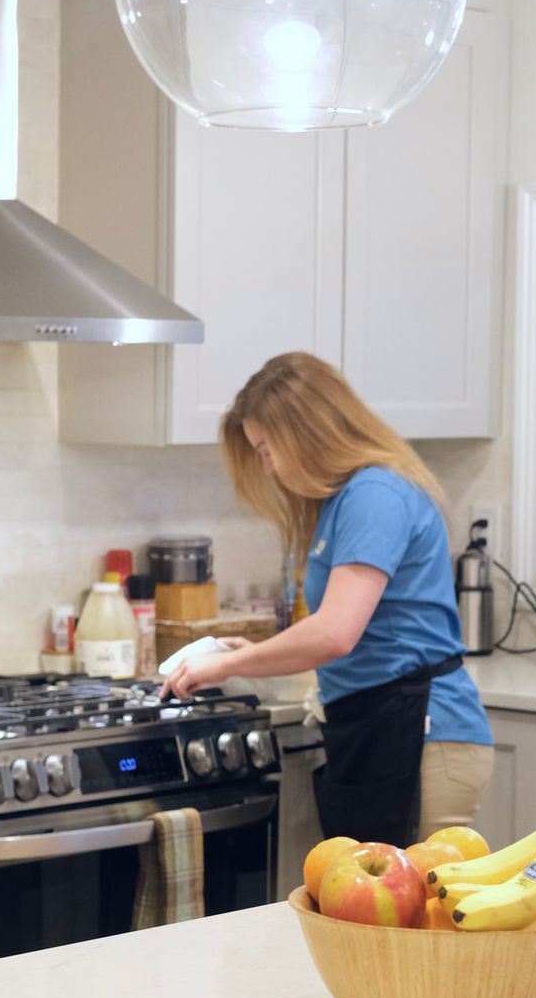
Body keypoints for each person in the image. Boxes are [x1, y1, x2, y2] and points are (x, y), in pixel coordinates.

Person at [162, 352, 495, 848]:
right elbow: (347, 628)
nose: (267, 469)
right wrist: (253, 653)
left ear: (305, 435)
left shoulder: (375, 493)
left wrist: (228, 665)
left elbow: (335, 633)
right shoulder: (347, 498)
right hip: (382, 728)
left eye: (267, 450)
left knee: (413, 898)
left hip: (425, 734)